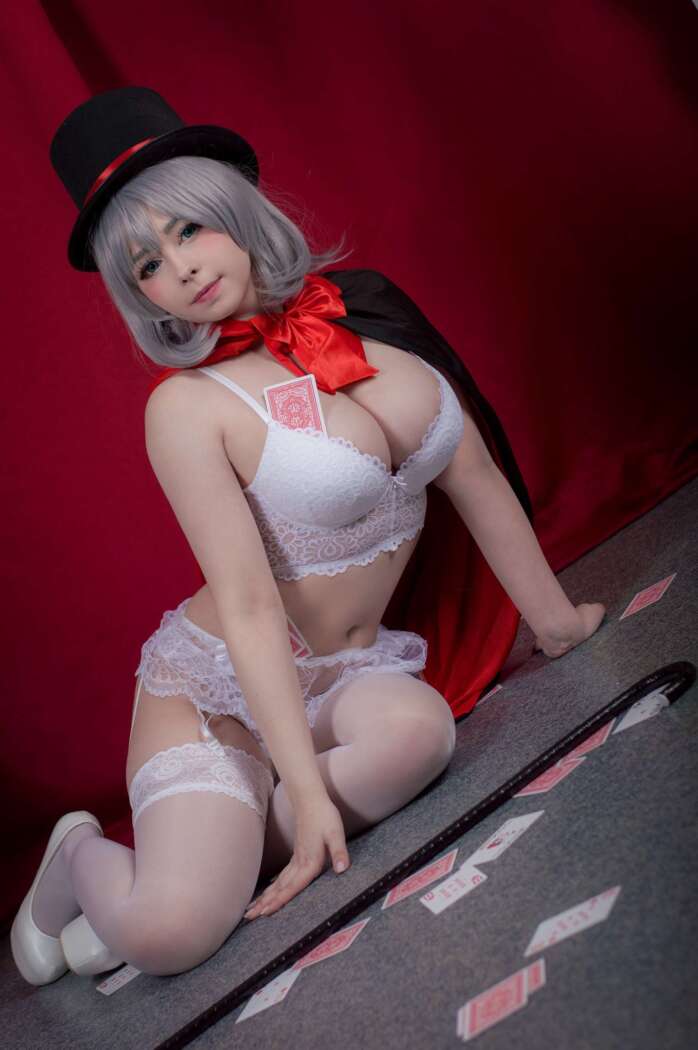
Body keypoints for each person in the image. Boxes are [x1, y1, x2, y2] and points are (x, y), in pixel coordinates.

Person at [11, 88, 606, 986]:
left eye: (189, 228)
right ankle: (80, 863)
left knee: (421, 737)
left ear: (234, 207)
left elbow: (475, 475)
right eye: (148, 264)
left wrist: (555, 625)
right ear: (142, 296)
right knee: (174, 938)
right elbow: (250, 608)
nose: (182, 267)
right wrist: (313, 801)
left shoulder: (366, 314)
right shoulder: (187, 409)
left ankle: (185, 868)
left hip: (346, 679)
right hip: (220, 694)